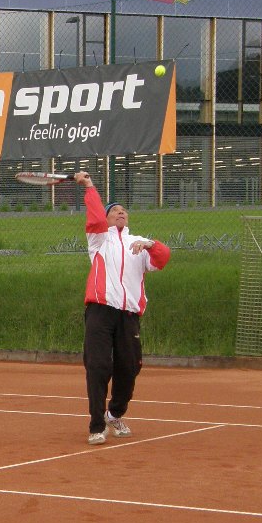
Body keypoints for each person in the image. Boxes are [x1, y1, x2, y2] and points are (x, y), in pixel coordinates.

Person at [75, 171, 170, 445]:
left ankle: (114, 414)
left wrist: (150, 244)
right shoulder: (99, 240)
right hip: (100, 312)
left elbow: (162, 259)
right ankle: (96, 426)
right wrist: (89, 187)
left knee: (130, 368)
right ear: (105, 218)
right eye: (114, 210)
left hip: (129, 316)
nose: (120, 212)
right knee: (98, 366)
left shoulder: (137, 243)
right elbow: (94, 218)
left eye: (123, 210)